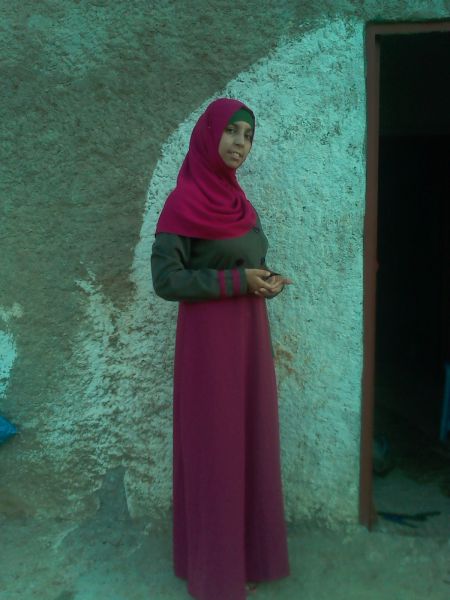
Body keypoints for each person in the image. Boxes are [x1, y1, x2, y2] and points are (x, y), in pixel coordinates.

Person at [151, 98, 291, 600]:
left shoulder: (240, 204)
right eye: (231, 131)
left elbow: (248, 261)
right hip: (208, 348)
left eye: (248, 136)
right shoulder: (182, 203)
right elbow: (167, 280)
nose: (239, 143)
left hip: (249, 339)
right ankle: (216, 569)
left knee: (249, 441)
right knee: (216, 448)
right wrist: (238, 281)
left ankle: (248, 557)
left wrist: (267, 280)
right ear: (209, 134)